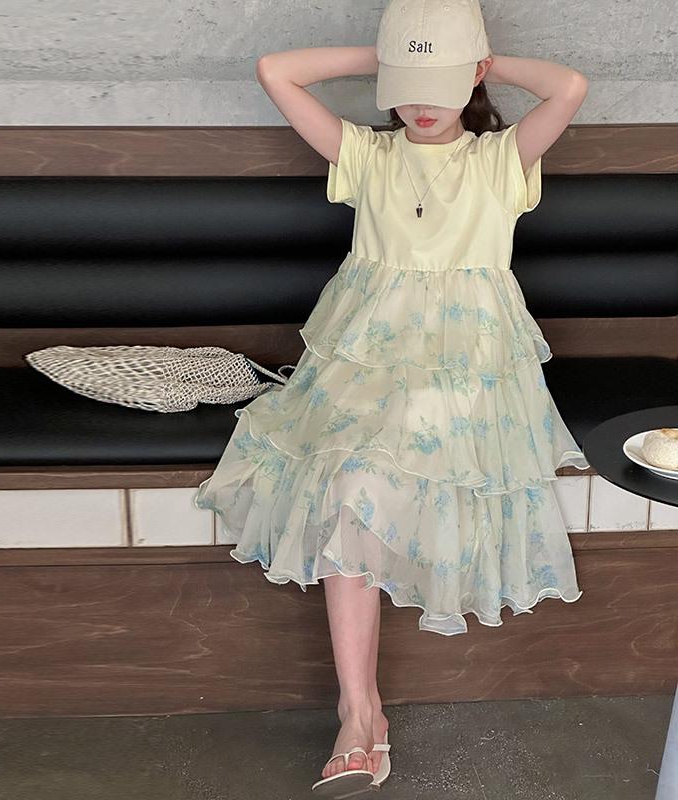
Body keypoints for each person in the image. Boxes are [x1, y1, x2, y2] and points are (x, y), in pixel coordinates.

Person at [193, 0, 590, 795]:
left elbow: (569, 87)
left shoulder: (500, 160)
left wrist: (469, 61)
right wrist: (392, 56)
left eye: (437, 84)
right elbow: (277, 72)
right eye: (405, 86)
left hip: (468, 368)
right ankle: (358, 714)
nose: (420, 102)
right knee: (348, 489)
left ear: (473, 76)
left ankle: (363, 718)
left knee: (377, 476)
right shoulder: (367, 155)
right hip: (364, 359)